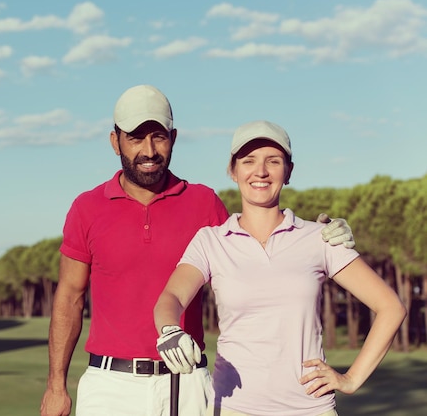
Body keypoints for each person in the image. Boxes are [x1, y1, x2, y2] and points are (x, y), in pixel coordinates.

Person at [40, 87, 355, 416]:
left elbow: (259, 244)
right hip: (110, 385)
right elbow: (70, 297)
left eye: (159, 137)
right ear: (115, 141)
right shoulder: (87, 208)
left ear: (173, 138)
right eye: (135, 138)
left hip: (188, 383)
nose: (149, 150)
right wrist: (55, 386)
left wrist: (320, 234)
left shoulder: (203, 203)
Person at [153, 120, 406, 416]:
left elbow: (390, 307)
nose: (260, 171)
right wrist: (170, 330)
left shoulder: (319, 237)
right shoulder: (211, 241)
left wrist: (351, 379)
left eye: (273, 161)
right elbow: (171, 297)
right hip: (234, 407)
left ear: (289, 172)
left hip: (311, 409)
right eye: (248, 161)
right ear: (232, 171)